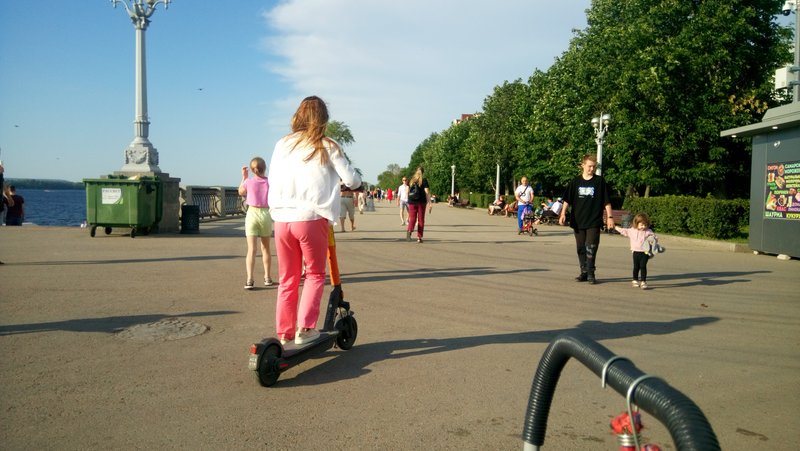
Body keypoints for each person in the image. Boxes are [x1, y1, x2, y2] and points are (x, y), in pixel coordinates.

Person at [268, 96, 361, 345]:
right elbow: (352, 181)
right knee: (315, 274)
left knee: (287, 277)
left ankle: (284, 331)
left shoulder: (282, 144)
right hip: (310, 218)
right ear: (323, 119)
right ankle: (306, 329)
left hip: (281, 219)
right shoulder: (326, 145)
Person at [559, 154, 614, 284]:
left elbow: (606, 201)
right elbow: (567, 200)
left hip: (594, 220)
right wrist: (563, 214)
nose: (591, 169)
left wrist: (610, 217)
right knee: (580, 248)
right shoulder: (575, 182)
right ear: (583, 165)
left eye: (594, 167)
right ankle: (583, 271)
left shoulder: (599, 181)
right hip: (578, 220)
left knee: (591, 247)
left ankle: (591, 273)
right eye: (589, 166)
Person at [238, 157, 274, 290]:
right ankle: (267, 277)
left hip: (252, 213)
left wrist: (244, 177)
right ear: (265, 168)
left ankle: (249, 279)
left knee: (251, 250)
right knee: (266, 248)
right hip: (265, 213)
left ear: (252, 170)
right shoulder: (270, 182)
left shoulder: (248, 182)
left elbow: (241, 192)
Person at [615, 213, 656, 290]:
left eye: (645, 225)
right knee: (636, 266)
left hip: (645, 252)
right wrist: (616, 227)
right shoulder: (632, 231)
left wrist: (653, 240)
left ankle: (643, 281)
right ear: (636, 223)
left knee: (643, 266)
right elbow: (624, 231)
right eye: (641, 225)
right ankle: (635, 280)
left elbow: (654, 237)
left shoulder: (648, 231)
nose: (643, 227)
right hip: (635, 252)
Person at [406, 166, 431, 243]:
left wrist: (409, 200)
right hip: (421, 202)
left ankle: (409, 231)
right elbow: (426, 192)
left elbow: (407, 191)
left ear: (416, 171)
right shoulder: (424, 180)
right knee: (421, 220)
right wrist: (430, 203)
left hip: (412, 202)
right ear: (423, 172)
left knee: (412, 218)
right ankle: (419, 237)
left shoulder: (411, 180)